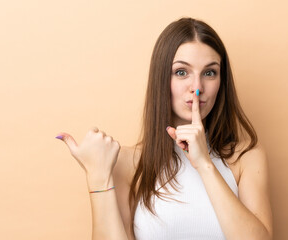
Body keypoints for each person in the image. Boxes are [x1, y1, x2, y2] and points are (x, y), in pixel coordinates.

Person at [56, 17, 273, 240]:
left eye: (209, 73)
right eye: (181, 72)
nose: (197, 87)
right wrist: (98, 176)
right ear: (162, 78)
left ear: (221, 81)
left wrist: (205, 164)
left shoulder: (246, 156)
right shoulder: (127, 162)